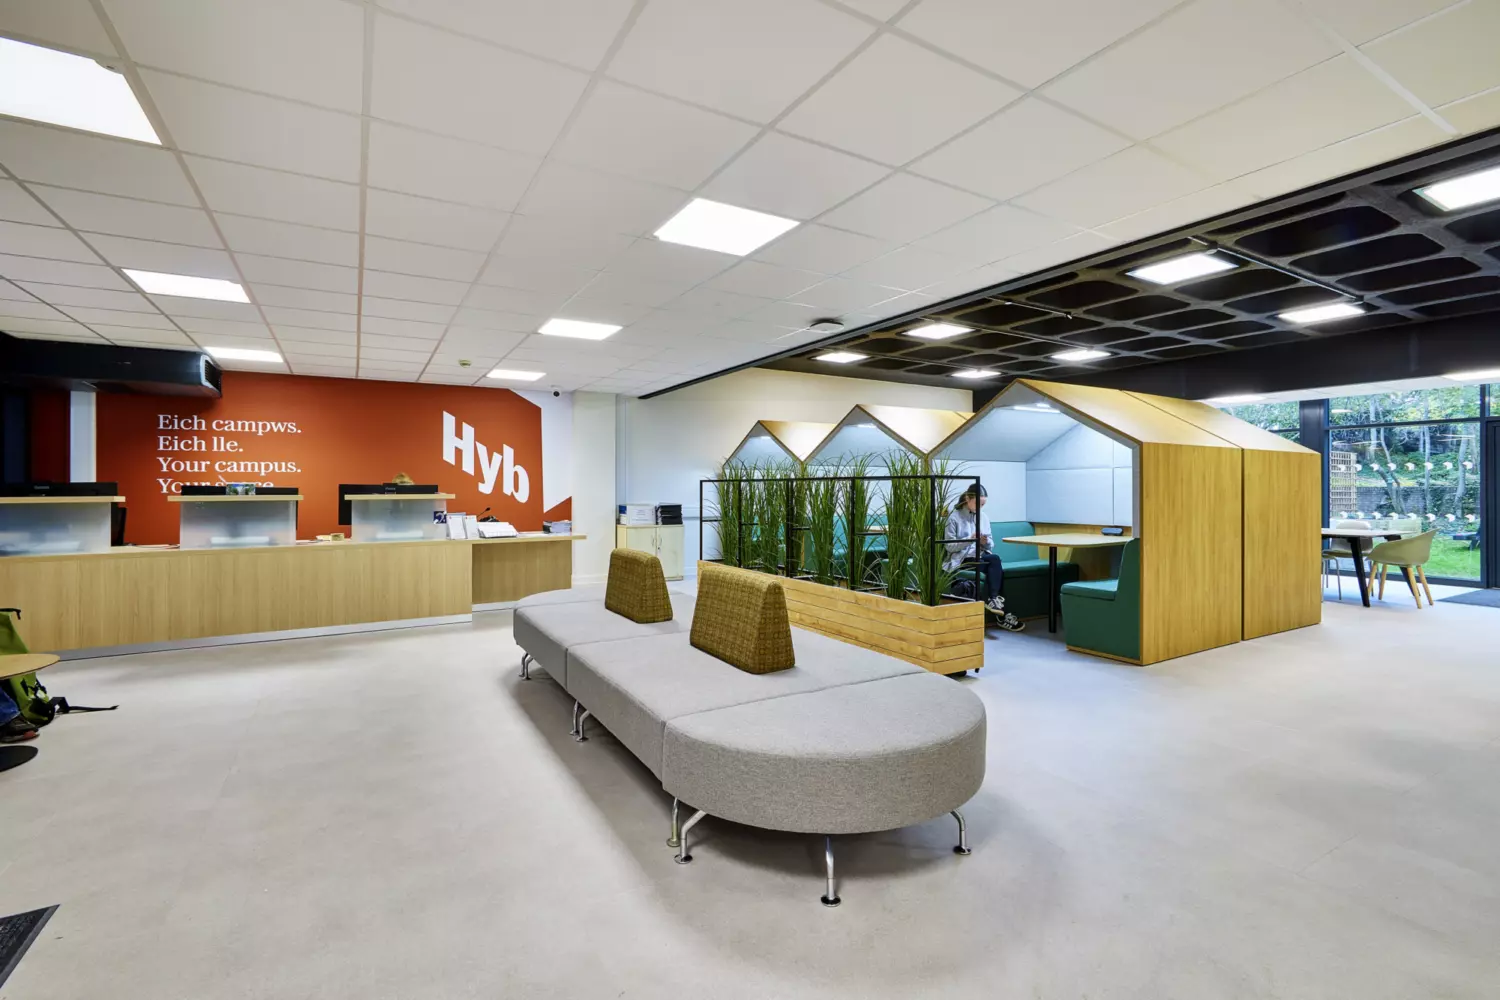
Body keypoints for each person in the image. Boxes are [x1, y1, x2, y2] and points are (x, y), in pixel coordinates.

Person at [944, 485, 1025, 632]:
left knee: (995, 560)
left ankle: (994, 600)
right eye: (978, 504)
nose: (980, 508)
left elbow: (991, 544)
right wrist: (970, 540)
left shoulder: (984, 517)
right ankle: (999, 611)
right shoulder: (954, 517)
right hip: (963, 559)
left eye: (983, 505)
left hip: (981, 557)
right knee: (994, 565)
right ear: (967, 499)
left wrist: (984, 541)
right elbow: (949, 547)